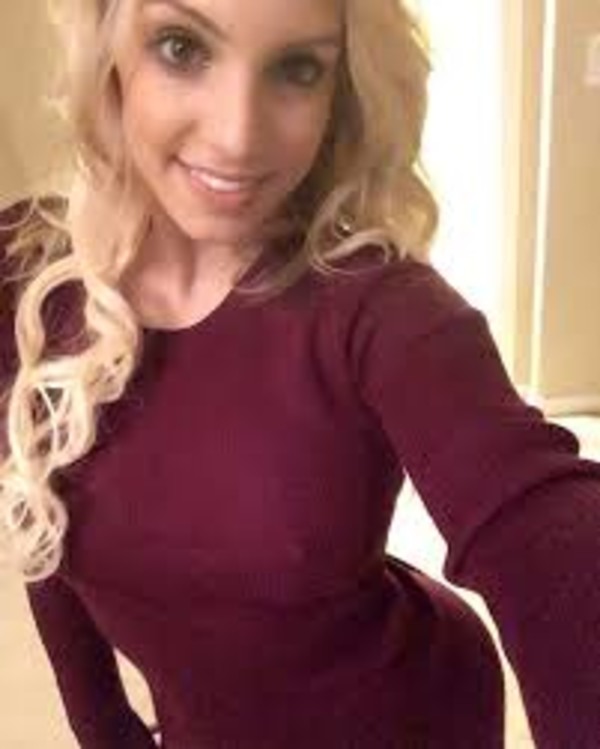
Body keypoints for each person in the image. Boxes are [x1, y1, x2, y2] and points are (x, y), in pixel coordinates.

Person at [0, 0, 599, 747]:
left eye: (297, 68)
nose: (237, 135)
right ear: (106, 42)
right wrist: (104, 728)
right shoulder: (27, 276)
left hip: (411, 718)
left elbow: (540, 522)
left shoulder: (385, 308)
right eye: (181, 47)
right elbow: (40, 524)